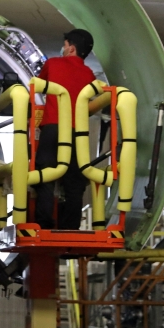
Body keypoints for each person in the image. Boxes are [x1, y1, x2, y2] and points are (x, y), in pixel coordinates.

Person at [33, 29, 96, 230]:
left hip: (53, 129)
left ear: (71, 48)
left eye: (66, 43)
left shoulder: (53, 63)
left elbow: (37, 84)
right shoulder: (89, 74)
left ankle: (44, 225)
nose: (64, 47)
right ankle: (70, 229)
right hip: (77, 133)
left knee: (45, 177)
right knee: (74, 185)